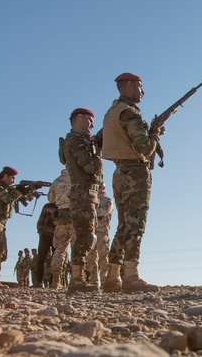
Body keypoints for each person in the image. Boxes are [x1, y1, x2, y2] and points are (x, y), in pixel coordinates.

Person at [101, 73, 162, 292]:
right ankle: (131, 276)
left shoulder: (112, 112)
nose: (142, 92)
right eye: (140, 86)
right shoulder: (129, 113)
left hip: (119, 172)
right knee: (136, 225)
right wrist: (154, 134)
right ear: (129, 85)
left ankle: (112, 276)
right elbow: (146, 148)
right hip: (135, 173)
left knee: (123, 224)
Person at [63, 107, 104, 292]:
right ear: (79, 117)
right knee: (85, 236)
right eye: (90, 119)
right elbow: (89, 167)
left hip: (87, 193)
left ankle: (78, 277)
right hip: (83, 194)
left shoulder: (80, 139)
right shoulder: (76, 140)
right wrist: (98, 154)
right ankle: (77, 279)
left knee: (87, 235)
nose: (92, 124)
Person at [86, 182, 113, 291]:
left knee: (103, 258)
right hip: (92, 232)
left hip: (102, 233)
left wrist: (92, 211)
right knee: (91, 258)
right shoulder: (91, 200)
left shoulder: (107, 200)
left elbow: (104, 211)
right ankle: (93, 283)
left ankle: (105, 281)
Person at [34, 203, 57, 287]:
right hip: (45, 235)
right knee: (41, 259)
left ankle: (53, 281)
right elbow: (41, 218)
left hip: (57, 236)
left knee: (56, 259)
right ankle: (38, 281)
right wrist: (40, 231)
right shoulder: (47, 206)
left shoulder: (62, 205)